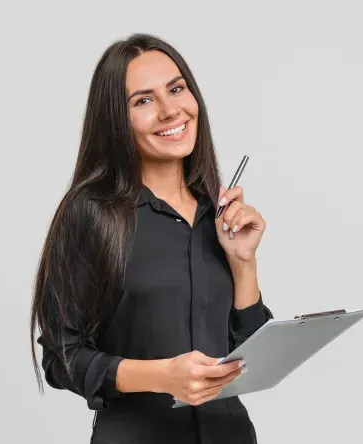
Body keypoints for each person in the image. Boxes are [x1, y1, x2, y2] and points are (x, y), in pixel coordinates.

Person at [30, 33, 273, 444]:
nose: (169, 110)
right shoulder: (91, 213)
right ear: (116, 120)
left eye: (176, 89)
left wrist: (243, 262)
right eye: (143, 101)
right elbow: (62, 356)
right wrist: (162, 376)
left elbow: (246, 357)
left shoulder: (214, 214)